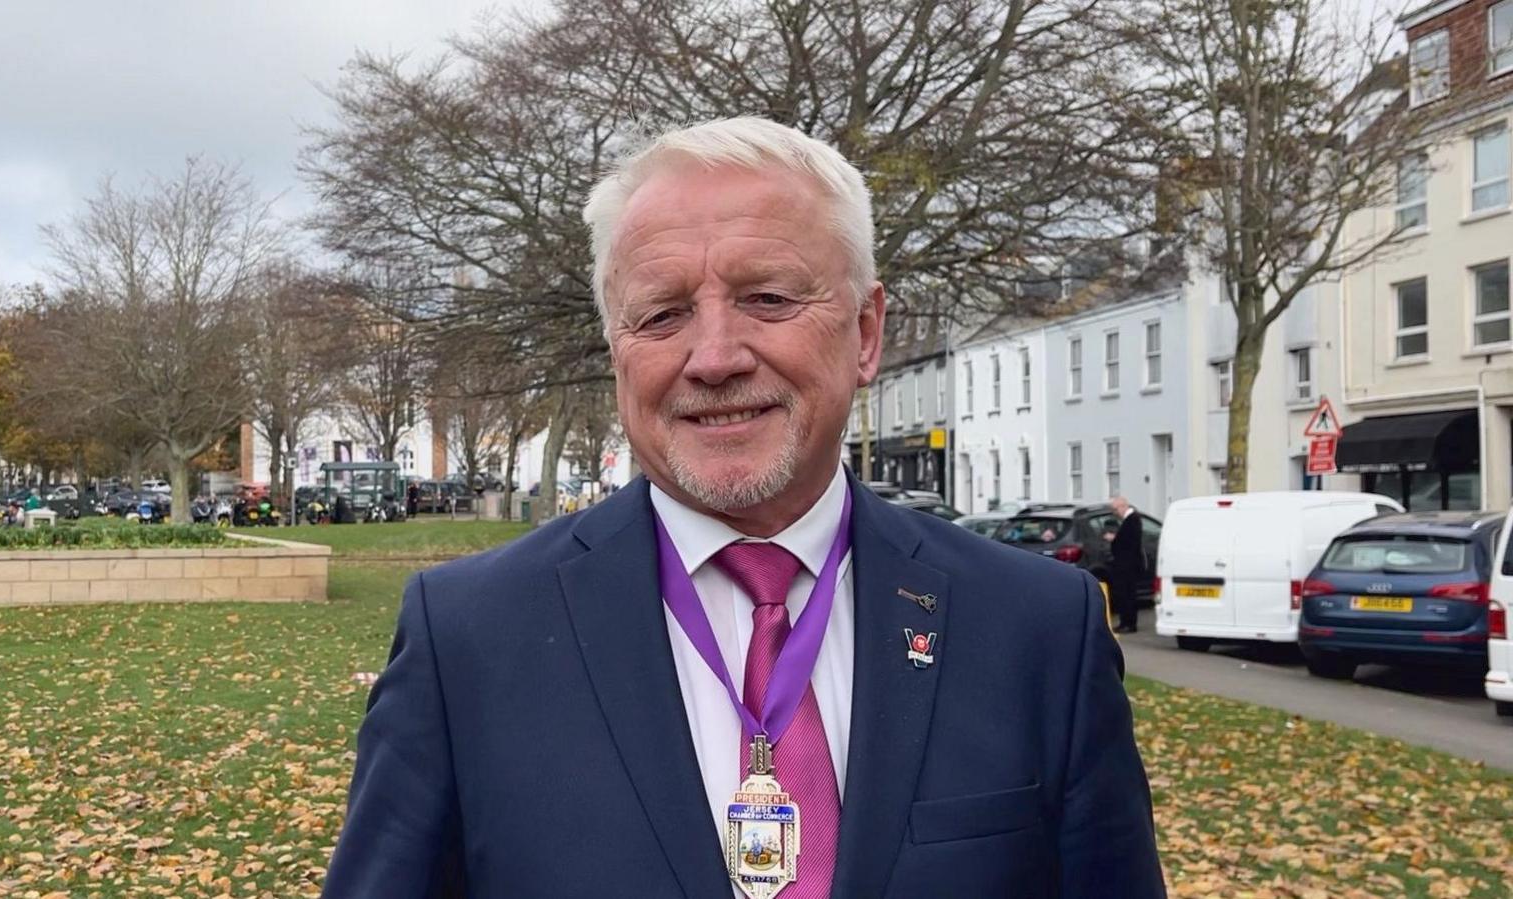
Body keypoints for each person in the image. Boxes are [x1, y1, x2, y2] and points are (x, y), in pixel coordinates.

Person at [322, 117, 1164, 898]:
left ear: (867, 332)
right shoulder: (468, 639)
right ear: (617, 350)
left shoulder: (1037, 630)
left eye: (768, 298)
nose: (715, 357)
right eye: (662, 314)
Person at [1107, 495, 1146, 634]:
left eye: (1115, 509)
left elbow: (1128, 543)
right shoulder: (1131, 520)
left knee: (1127, 594)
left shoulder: (1132, 520)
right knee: (1125, 593)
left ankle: (1129, 624)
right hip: (1126, 564)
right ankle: (1126, 622)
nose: (1115, 513)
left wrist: (1114, 539)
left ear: (1123, 506)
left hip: (1127, 565)